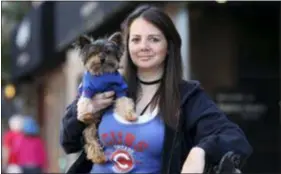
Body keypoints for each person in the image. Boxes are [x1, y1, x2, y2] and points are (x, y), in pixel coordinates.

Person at [60, 4, 252, 174]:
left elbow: (233, 138)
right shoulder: (106, 87)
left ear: (168, 46)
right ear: (126, 47)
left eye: (153, 39)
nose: (144, 47)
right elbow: (68, 142)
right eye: (136, 40)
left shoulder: (187, 97)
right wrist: (83, 113)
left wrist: (200, 152)